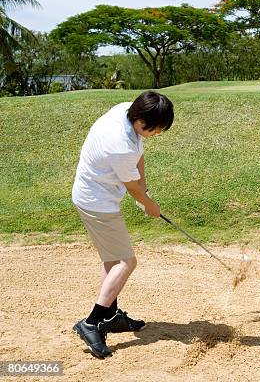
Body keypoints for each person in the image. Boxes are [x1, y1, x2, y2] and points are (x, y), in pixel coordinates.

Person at [71, 90, 174, 358]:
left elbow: (138, 155)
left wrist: (145, 188)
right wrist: (149, 203)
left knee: (112, 261)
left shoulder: (128, 110)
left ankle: (111, 316)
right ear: (141, 121)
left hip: (95, 196)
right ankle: (92, 322)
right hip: (97, 203)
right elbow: (132, 188)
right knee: (126, 262)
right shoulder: (119, 143)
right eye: (156, 129)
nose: (157, 134)